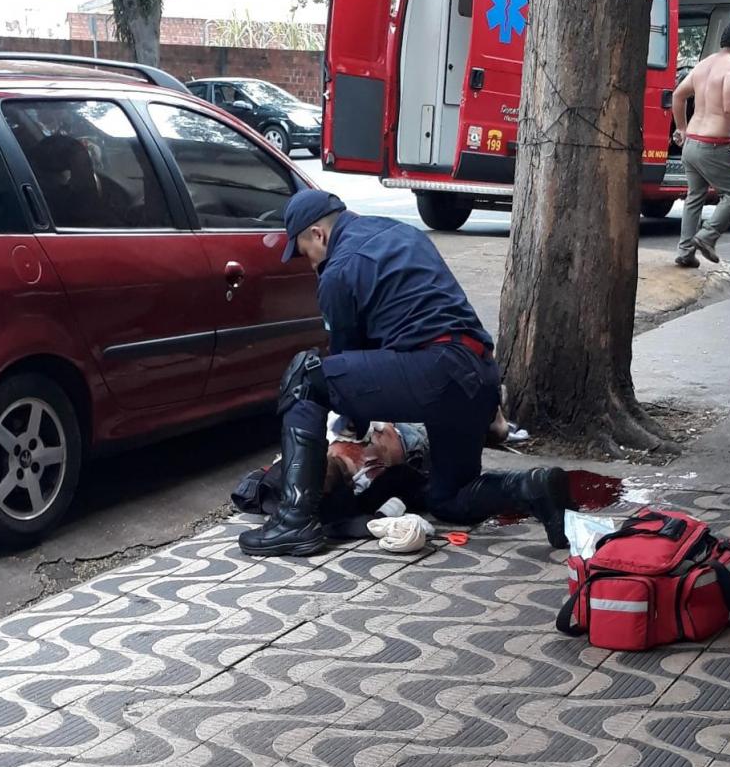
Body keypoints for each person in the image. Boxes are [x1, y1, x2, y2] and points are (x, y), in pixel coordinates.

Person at [237, 189, 571, 558]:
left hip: (435, 371)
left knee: (305, 377)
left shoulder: (338, 269)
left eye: (304, 252)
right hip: (480, 375)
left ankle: (294, 522)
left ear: (318, 234)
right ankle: (531, 487)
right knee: (449, 498)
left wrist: (352, 423)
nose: (308, 263)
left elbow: (345, 359)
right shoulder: (402, 232)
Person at [671, 17, 730, 268]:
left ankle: (685, 252)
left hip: (692, 144)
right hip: (714, 145)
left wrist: (682, 128)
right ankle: (708, 236)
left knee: (695, 196)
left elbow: (678, 95)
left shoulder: (704, 64)